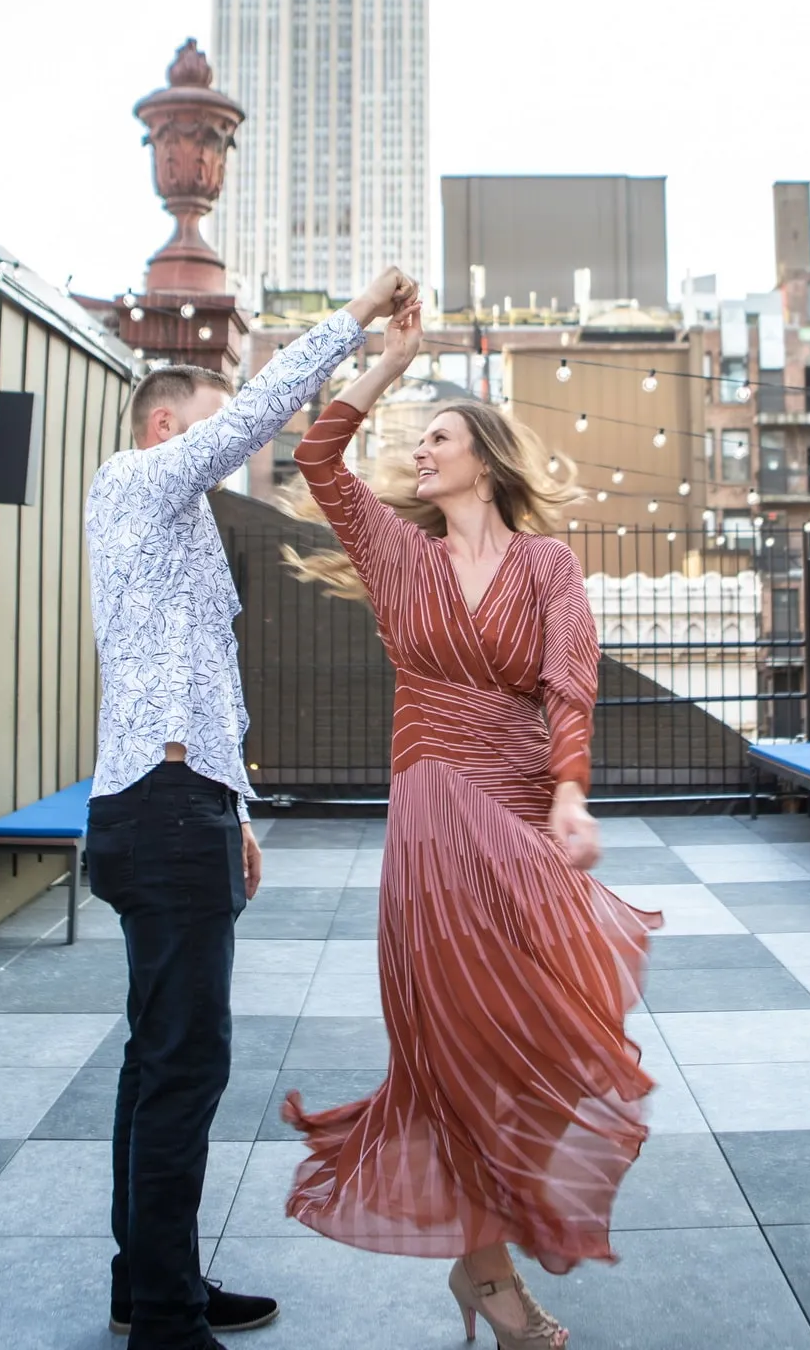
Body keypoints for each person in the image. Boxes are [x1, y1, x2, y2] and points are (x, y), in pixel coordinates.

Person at [281, 302, 662, 1350]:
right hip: (434, 822)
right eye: (418, 437)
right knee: (449, 1046)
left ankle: (484, 1248)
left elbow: (569, 689)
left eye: (438, 434)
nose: (420, 447)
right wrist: (392, 360)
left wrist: (573, 795)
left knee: (538, 1036)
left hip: (525, 814)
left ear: (483, 462)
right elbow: (320, 454)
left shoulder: (549, 569)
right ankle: (493, 1282)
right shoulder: (399, 554)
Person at [84, 268, 416, 1350]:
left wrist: (239, 814)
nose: (244, 454)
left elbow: (201, 684)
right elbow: (269, 406)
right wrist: (358, 320)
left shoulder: (179, 538)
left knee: (158, 1059)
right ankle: (168, 1321)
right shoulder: (135, 481)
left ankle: (150, 1284)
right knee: (185, 1064)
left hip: (185, 806)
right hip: (162, 812)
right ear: (170, 424)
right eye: (221, 434)